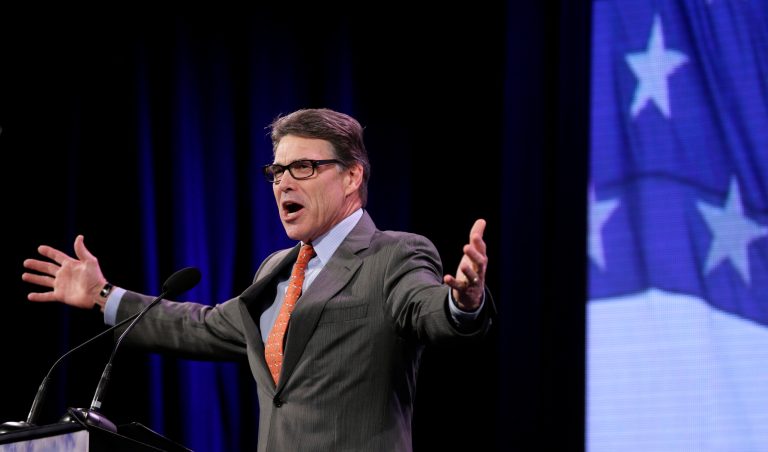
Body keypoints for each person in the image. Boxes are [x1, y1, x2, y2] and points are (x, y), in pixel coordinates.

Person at [21, 108, 494, 452]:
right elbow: (202, 327)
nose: (284, 183)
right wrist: (103, 296)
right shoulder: (276, 269)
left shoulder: (394, 253)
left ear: (352, 176)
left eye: (303, 168)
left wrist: (463, 302)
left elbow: (430, 311)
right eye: (277, 171)